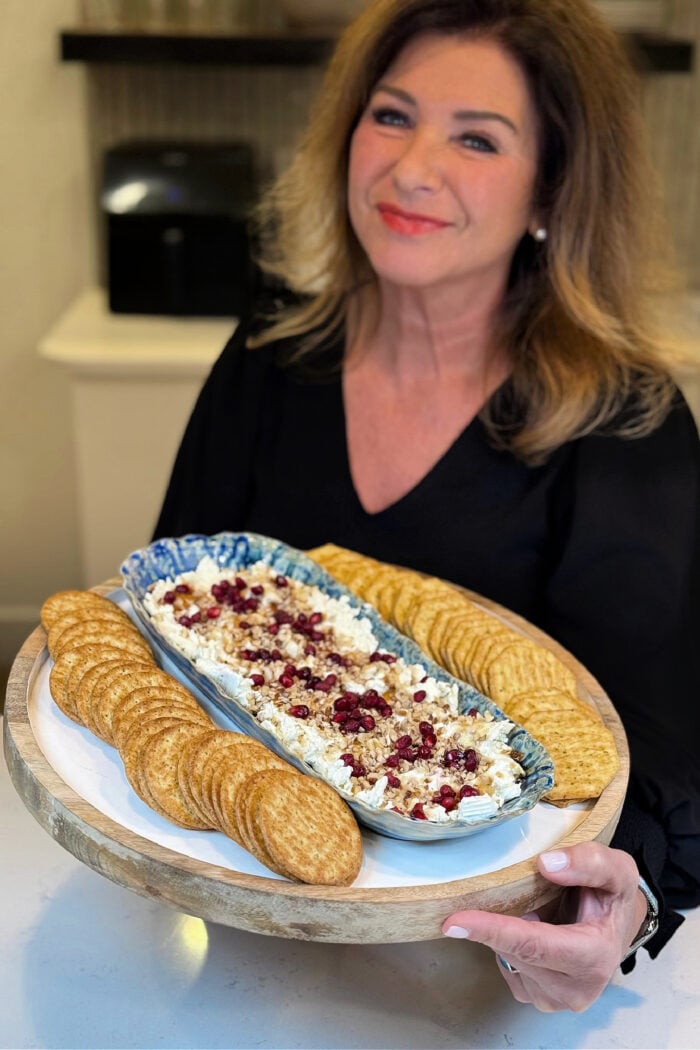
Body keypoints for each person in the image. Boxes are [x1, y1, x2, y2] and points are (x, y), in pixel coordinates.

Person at [153, 0, 700, 1013]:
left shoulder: (626, 425)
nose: (410, 168)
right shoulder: (270, 358)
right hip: (234, 919)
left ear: (553, 189)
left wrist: (612, 914)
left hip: (474, 972)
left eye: (478, 138)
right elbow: (172, 620)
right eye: (392, 115)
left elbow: (656, 751)